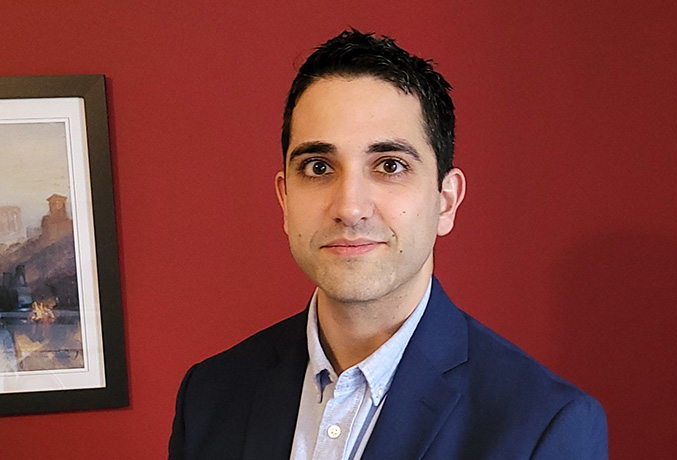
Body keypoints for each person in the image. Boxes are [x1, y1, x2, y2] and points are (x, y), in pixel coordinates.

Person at [168, 29, 608, 460]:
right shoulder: (210, 395)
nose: (350, 207)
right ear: (285, 200)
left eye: (390, 165)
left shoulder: (543, 426)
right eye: (319, 167)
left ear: (445, 201)